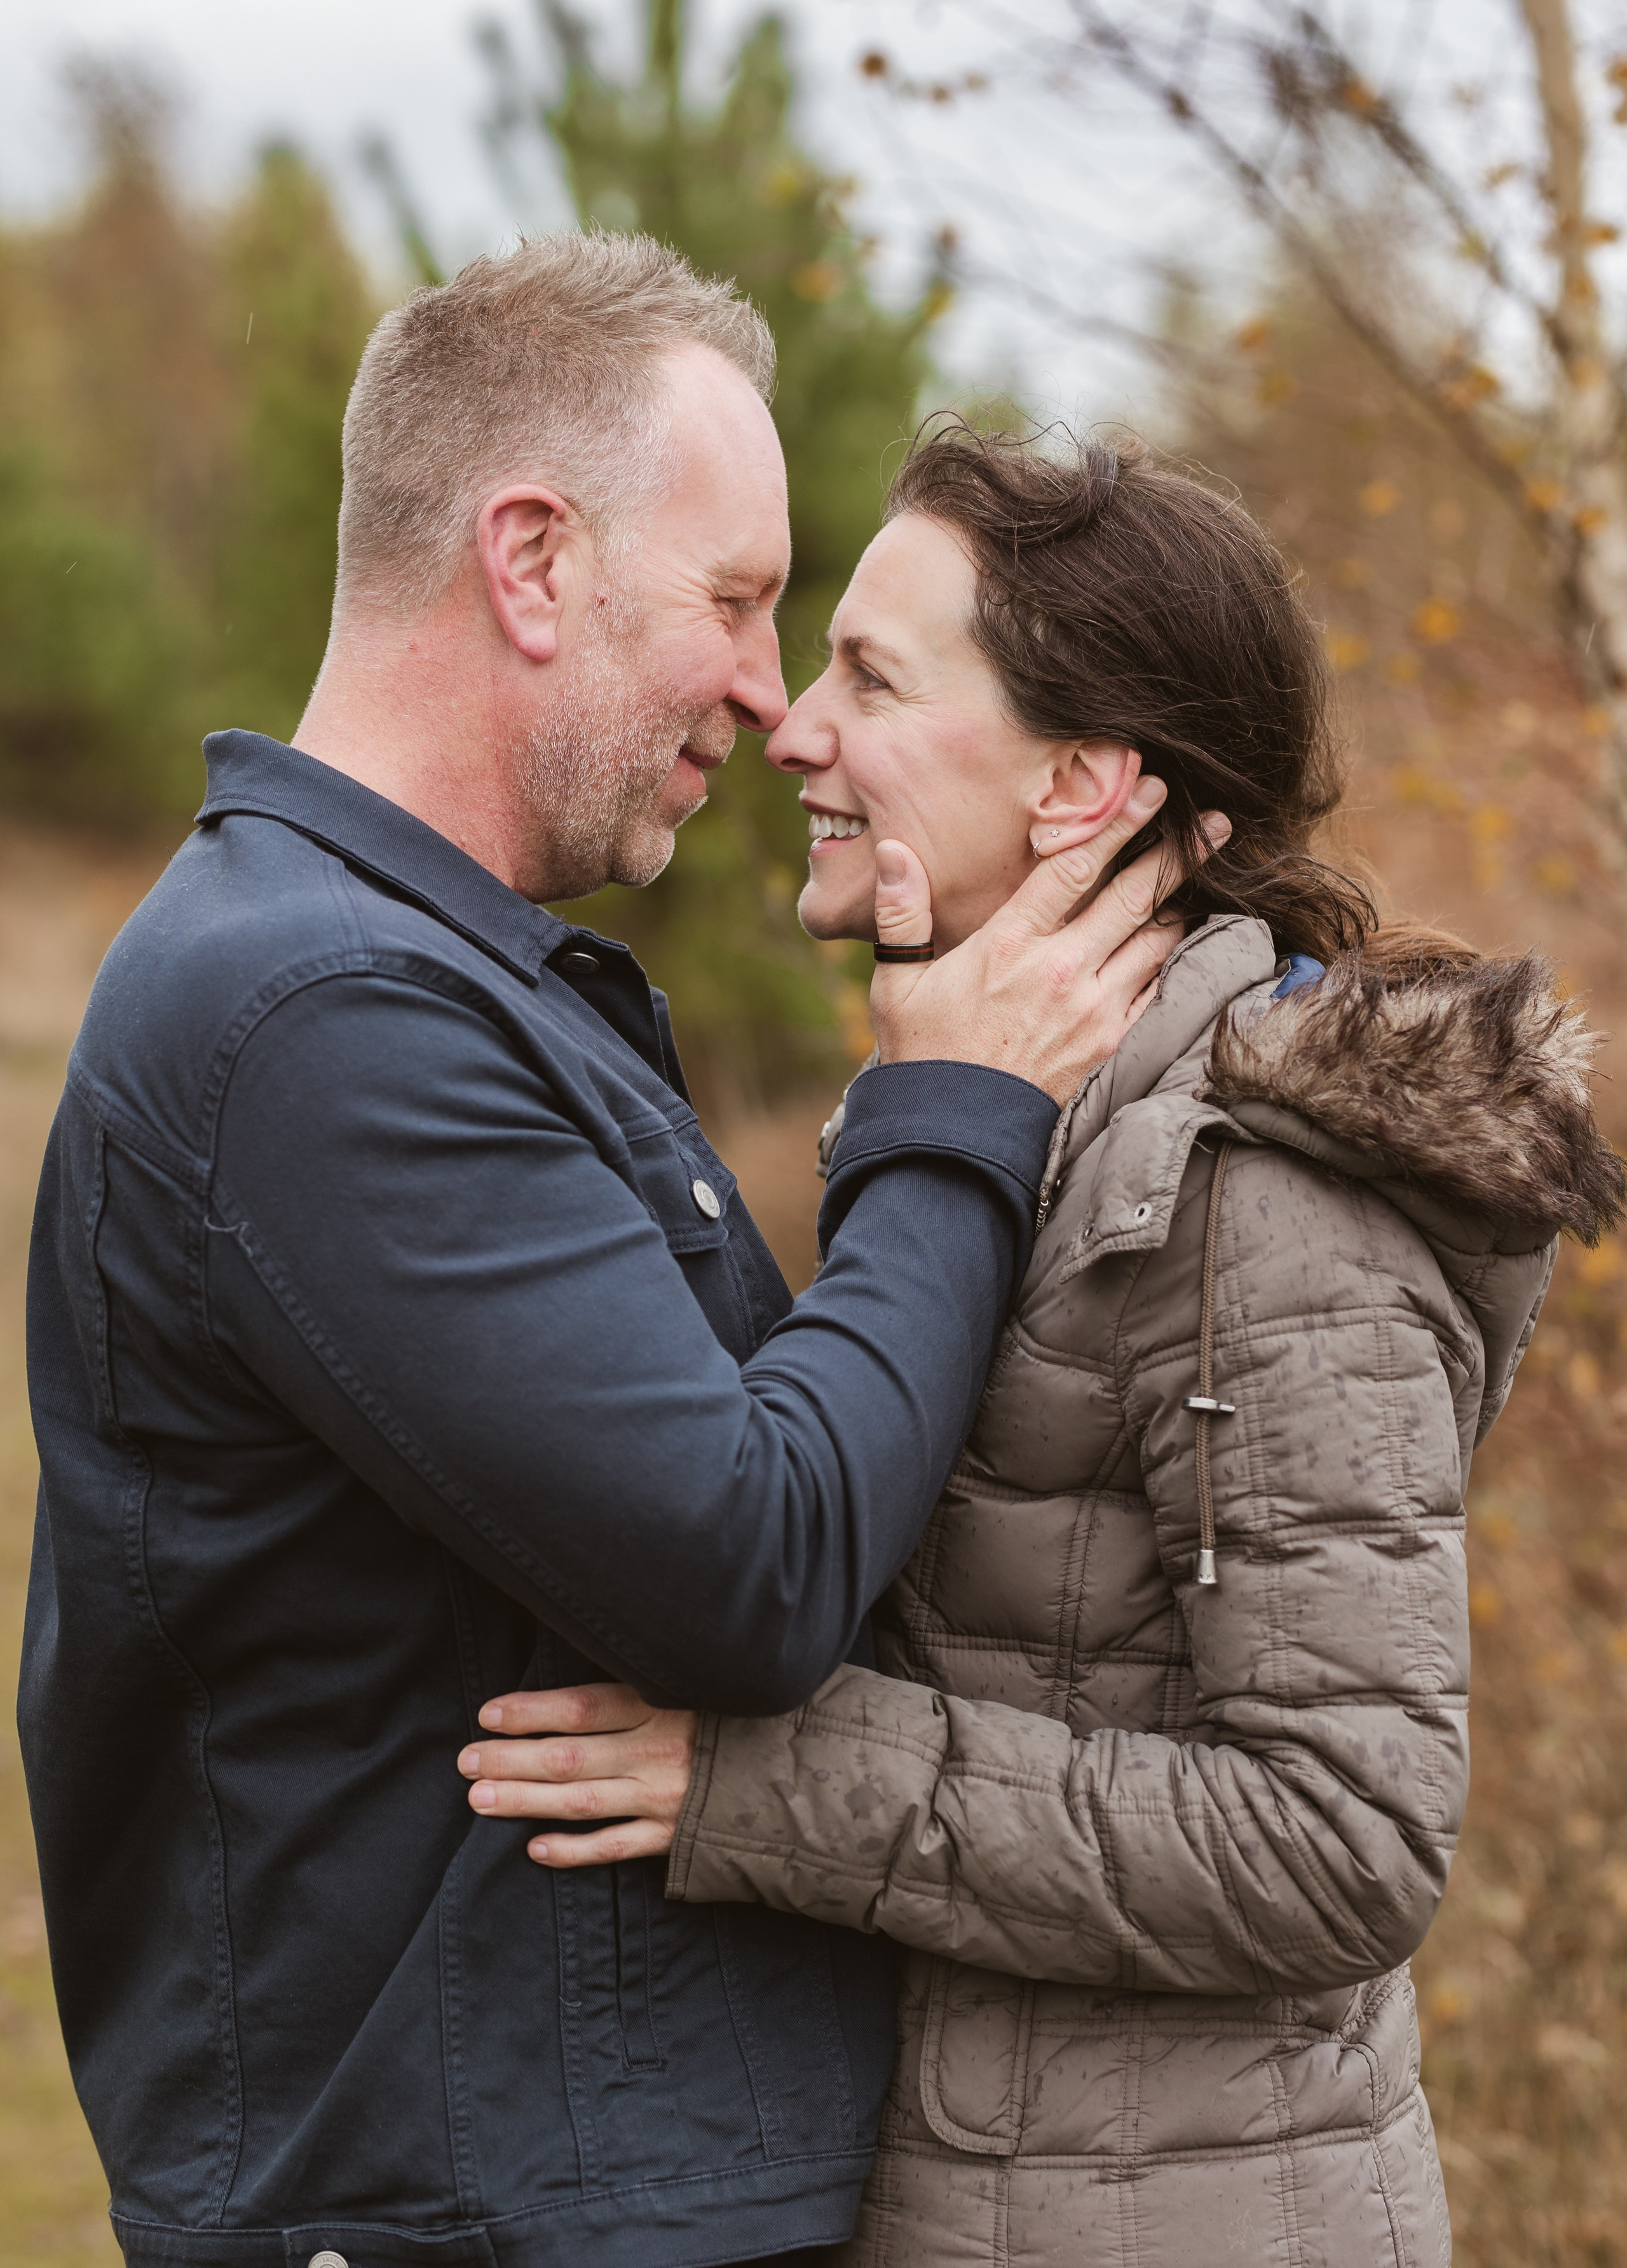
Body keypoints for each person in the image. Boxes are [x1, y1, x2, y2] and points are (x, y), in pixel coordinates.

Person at [19, 245, 1195, 2268]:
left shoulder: (435, 982)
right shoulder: (320, 1018)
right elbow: (750, 1564)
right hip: (465, 2211)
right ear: (534, 562)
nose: (769, 688)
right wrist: (960, 1111)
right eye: (737, 602)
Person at [458, 422, 1624, 2268]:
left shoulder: (1262, 1193)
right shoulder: (997, 1117)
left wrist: (772, 1785)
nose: (795, 730)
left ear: (1081, 785)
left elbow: (1347, 1833)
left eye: (872, 679)